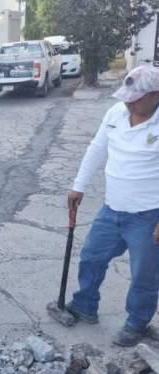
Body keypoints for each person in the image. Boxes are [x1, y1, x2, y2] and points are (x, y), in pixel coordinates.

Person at [66, 65, 159, 347]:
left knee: (145, 275)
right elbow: (97, 148)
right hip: (112, 208)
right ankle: (85, 304)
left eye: (136, 99)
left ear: (155, 95)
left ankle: (137, 323)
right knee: (92, 257)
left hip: (148, 215)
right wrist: (78, 185)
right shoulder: (116, 113)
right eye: (127, 98)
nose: (129, 103)